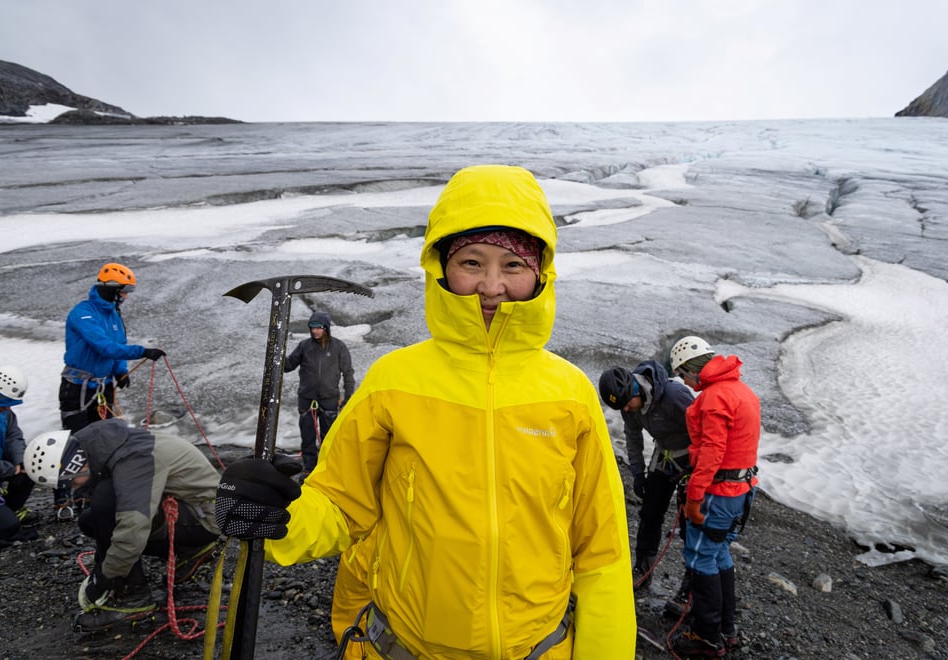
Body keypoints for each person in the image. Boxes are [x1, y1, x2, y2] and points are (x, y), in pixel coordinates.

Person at [216, 164, 635, 659]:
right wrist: (280, 514)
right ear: (440, 266)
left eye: (513, 265)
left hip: (540, 649)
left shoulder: (570, 392)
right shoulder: (395, 380)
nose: (491, 286)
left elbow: (601, 551)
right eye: (472, 263)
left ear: (541, 272)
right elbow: (341, 504)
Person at [24, 418, 222, 632]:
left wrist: (104, 578)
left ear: (75, 466)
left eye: (70, 482)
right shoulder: (109, 446)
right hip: (191, 510)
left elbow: (132, 531)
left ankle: (134, 597)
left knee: (106, 502)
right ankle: (190, 550)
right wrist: (102, 565)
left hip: (204, 519)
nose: (73, 488)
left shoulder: (133, 460)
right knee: (90, 520)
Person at [668, 336, 760, 657]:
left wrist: (694, 499)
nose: (685, 383)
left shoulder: (714, 398)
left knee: (701, 558)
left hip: (718, 494)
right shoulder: (742, 391)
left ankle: (706, 640)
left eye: (683, 375)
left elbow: (712, 452)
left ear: (691, 370)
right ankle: (726, 629)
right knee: (720, 554)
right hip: (743, 492)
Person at [56, 262, 167, 520]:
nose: (127, 296)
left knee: (102, 441)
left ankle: (91, 496)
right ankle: (63, 502)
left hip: (103, 387)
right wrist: (142, 351)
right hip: (77, 387)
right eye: (124, 290)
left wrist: (120, 370)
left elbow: (118, 343)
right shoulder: (83, 313)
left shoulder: (113, 314)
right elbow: (104, 346)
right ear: (112, 289)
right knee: (74, 441)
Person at [598, 360, 693, 589]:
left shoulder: (674, 396)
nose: (627, 411)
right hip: (664, 456)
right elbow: (633, 438)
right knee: (650, 513)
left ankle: (692, 583)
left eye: (628, 404)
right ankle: (642, 569)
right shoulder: (627, 404)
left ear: (635, 389)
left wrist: (698, 473)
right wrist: (639, 475)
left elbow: (705, 429)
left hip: (691, 457)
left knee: (691, 521)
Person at [284, 309, 355, 473]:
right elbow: (288, 366)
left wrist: (348, 398)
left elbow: (348, 373)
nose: (315, 331)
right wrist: (278, 356)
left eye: (318, 327)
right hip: (306, 399)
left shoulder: (338, 347)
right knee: (307, 438)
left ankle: (327, 469)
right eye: (312, 327)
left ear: (326, 328)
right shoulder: (304, 346)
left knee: (328, 438)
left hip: (329, 398)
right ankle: (309, 469)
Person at [0, 365, 39, 547]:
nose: (7, 408)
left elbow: (13, 436)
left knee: (29, 470)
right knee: (8, 527)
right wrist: (10, 468)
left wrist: (20, 460)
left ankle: (6, 510)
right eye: (4, 403)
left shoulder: (4, 412)